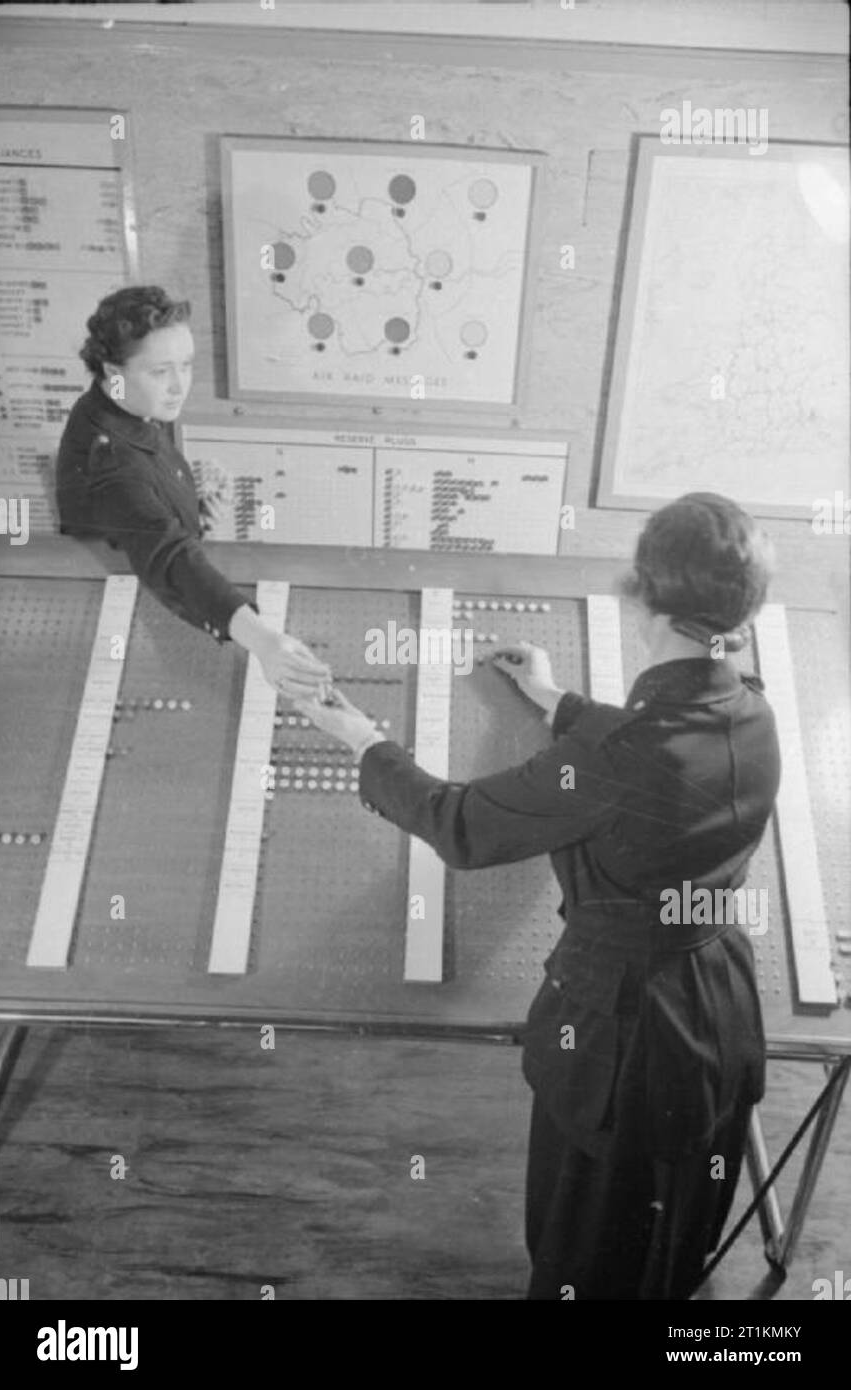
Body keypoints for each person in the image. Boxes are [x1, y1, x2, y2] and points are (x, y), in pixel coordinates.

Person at [296, 492, 780, 1300]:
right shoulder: (753, 709)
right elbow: (664, 750)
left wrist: (359, 735)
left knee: (585, 1252)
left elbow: (459, 825)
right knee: (670, 1241)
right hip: (717, 1011)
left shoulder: (616, 757)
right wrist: (559, 702)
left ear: (643, 595)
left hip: (622, 1041)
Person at [55, 286, 329, 700]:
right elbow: (167, 553)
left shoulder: (122, 404)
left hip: (162, 588)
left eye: (186, 365)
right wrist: (264, 641)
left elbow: (140, 516)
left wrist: (192, 511)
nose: (179, 386)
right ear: (114, 373)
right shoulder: (110, 460)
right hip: (141, 620)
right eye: (160, 371)